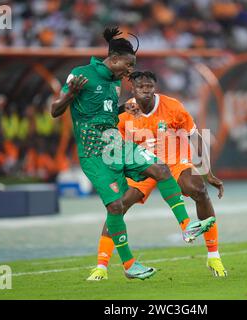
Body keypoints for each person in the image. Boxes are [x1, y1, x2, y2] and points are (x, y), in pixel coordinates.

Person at [51, 27, 215, 280]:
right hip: (94, 152)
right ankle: (128, 265)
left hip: (116, 144)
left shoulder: (115, 82)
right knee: (116, 206)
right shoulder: (80, 74)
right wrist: (70, 95)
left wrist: (121, 109)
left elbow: (103, 113)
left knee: (160, 169)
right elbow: (55, 110)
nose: (130, 71)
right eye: (128, 65)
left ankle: (186, 225)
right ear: (114, 59)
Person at [88, 71, 227, 281]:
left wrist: (208, 172)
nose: (146, 89)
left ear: (155, 87)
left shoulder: (173, 107)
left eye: (149, 86)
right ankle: (101, 266)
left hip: (174, 160)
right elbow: (118, 147)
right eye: (141, 86)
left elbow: (195, 137)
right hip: (142, 165)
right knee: (117, 205)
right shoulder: (124, 115)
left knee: (199, 190)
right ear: (132, 89)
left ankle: (214, 255)